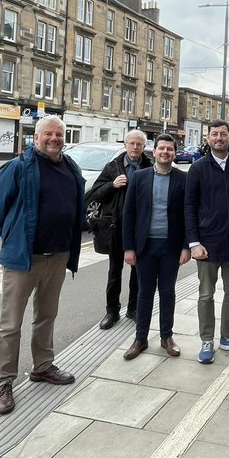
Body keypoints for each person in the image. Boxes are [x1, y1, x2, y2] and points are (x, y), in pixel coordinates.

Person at [0, 115, 85, 415]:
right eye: (48, 134)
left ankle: (42, 366)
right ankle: (4, 382)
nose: (54, 139)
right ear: (36, 137)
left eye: (59, 134)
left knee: (47, 316)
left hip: (58, 256)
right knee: (10, 324)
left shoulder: (70, 167)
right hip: (24, 260)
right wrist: (15, 237)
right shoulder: (18, 167)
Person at [185, 119, 229, 364]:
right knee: (205, 295)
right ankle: (206, 339)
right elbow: (189, 207)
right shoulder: (198, 169)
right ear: (208, 138)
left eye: (223, 134)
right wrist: (193, 242)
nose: (219, 138)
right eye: (214, 135)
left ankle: (227, 335)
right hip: (207, 245)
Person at [121, 134, 189, 360]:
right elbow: (128, 214)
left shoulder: (183, 179)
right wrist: (128, 248)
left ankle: (166, 337)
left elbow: (188, 215)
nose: (165, 152)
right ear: (154, 151)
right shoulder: (139, 177)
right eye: (161, 148)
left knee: (168, 292)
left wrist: (186, 246)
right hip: (145, 247)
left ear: (174, 153)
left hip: (170, 247)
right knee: (144, 292)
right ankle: (140, 338)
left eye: (170, 149)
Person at [88, 130, 153, 330]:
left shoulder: (149, 166)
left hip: (139, 229)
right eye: (131, 144)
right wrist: (112, 185)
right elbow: (94, 195)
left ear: (143, 147)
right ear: (125, 145)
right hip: (116, 228)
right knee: (114, 272)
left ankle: (133, 309)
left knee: (137, 272)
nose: (135, 147)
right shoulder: (113, 167)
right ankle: (112, 311)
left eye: (139, 144)